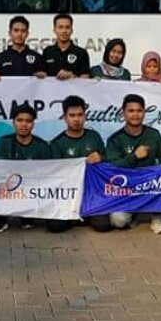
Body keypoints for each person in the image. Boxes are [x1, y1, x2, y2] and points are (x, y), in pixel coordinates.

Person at [106, 94, 161, 235]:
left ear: (144, 112)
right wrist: (134, 157)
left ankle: (157, 218)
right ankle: (137, 214)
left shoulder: (153, 134)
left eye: (139, 111)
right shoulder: (115, 139)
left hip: (149, 188)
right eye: (131, 111)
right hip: (126, 191)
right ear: (123, 113)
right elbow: (112, 168)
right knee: (118, 221)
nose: (135, 115)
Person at [49, 96, 112, 232]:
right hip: (68, 195)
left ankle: (83, 216)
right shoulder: (57, 143)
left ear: (85, 116)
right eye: (72, 115)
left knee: (103, 226)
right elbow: (55, 174)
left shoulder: (94, 137)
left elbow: (108, 161)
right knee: (55, 227)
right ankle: (75, 216)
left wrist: (100, 157)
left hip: (92, 193)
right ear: (64, 118)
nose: (76, 119)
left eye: (80, 115)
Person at [0, 103, 52, 233]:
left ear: (33, 124)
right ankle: (1, 218)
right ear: (13, 122)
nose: (24, 124)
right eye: (19, 120)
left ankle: (27, 216)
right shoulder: (4, 141)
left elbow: (49, 173)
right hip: (9, 184)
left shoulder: (42, 145)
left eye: (28, 121)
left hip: (32, 187)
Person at [41, 13, 90, 79]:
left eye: (67, 27)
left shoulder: (81, 53)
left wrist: (71, 76)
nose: (64, 31)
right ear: (54, 30)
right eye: (60, 27)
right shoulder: (47, 51)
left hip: (73, 86)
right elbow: (43, 75)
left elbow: (86, 78)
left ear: (72, 30)